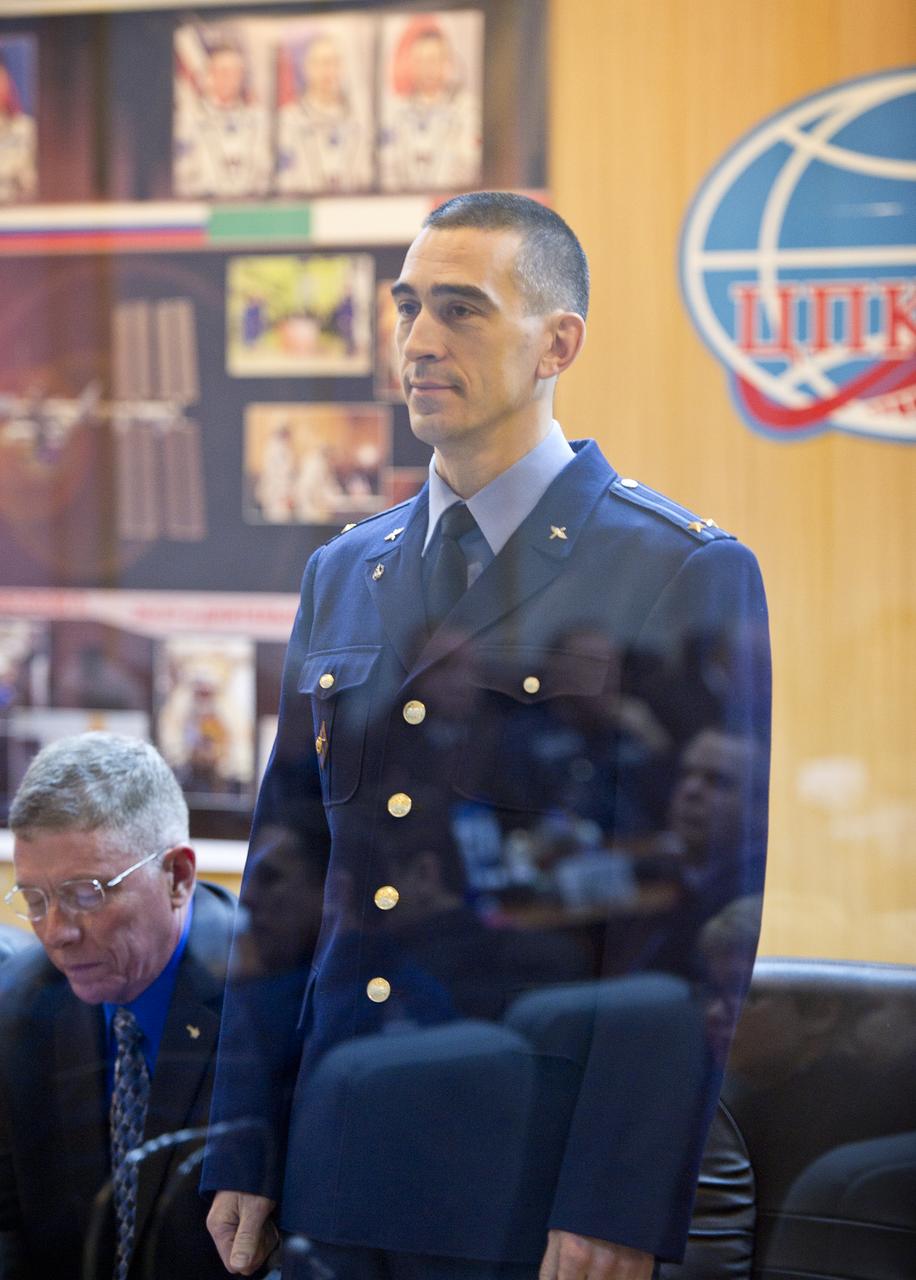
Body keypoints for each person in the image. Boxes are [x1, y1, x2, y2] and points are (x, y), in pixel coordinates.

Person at [203, 192, 771, 1280]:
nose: (417, 339)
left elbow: (691, 921)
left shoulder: (675, 571)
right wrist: (244, 1135)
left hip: (525, 1176)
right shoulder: (345, 572)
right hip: (333, 1158)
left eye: (460, 310)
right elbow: (288, 875)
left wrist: (615, 1199)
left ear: (558, 342)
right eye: (408, 305)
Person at [0, 732, 237, 1279]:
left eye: (87, 894)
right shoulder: (19, 1007)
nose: (56, 933)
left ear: (177, 876)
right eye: (35, 900)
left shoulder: (270, 996)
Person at [276, 31, 371, 195]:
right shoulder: (287, 121)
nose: (328, 70)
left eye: (334, 63)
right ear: (306, 68)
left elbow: (367, 175)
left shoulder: (360, 121)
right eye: (321, 63)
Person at [173, 41, 270, 199]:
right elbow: (181, 175)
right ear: (209, 74)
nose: (229, 79)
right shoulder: (187, 121)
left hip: (250, 208)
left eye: (235, 73)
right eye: (223, 72)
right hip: (202, 208)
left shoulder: (258, 121)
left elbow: (265, 172)